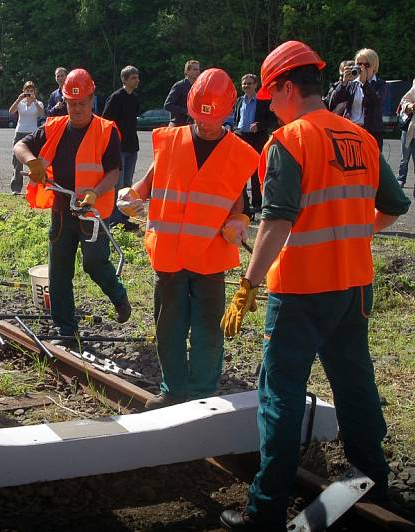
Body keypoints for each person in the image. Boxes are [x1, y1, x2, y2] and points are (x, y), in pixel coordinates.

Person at [219, 41, 411, 531]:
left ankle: (265, 510)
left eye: (271, 95)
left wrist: (247, 285)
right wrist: (353, 232)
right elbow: (393, 205)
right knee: (355, 385)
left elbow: (276, 222)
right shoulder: (361, 138)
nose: (268, 104)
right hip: (354, 288)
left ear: (287, 87)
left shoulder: (289, 141)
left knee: (279, 394)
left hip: (302, 290)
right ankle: (372, 479)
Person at [117, 68, 257, 410]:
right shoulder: (170, 139)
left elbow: (243, 204)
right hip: (169, 254)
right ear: (191, 109)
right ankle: (174, 390)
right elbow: (147, 184)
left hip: (209, 258)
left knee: (208, 330)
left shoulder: (239, 153)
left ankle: (203, 395)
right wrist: (130, 195)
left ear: (228, 112)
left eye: (214, 118)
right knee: (169, 327)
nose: (206, 124)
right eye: (199, 116)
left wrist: (238, 222)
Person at [14, 68, 131, 345]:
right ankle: (66, 328)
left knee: (94, 263)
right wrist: (31, 161)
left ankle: (118, 295)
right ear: (64, 101)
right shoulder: (53, 128)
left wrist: (95, 192)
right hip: (63, 210)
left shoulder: (106, 131)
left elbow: (114, 171)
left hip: (93, 213)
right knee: (59, 271)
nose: (77, 109)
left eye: (82, 103)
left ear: (92, 99)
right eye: (71, 103)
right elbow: (21, 145)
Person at [228, 74, 273, 216]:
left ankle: (257, 204)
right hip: (241, 137)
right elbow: (236, 119)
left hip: (257, 138)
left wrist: (259, 125)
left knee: (256, 172)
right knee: (240, 172)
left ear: (255, 85)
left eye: (249, 83)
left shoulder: (264, 102)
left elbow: (273, 120)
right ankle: (244, 204)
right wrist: (234, 130)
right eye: (244, 84)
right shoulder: (239, 101)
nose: (246, 86)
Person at [103, 65, 141, 229]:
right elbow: (105, 121)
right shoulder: (116, 97)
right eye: (133, 78)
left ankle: (124, 218)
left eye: (137, 77)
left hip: (133, 146)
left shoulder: (135, 99)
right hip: (119, 148)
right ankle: (114, 219)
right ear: (124, 80)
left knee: (128, 183)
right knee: (117, 185)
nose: (136, 80)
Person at [328, 48, 387, 148]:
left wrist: (365, 84)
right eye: (359, 64)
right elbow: (334, 101)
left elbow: (375, 102)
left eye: (366, 65)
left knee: (371, 162)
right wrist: (343, 83)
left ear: (374, 67)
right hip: (350, 131)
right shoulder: (352, 84)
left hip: (370, 132)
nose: (362, 68)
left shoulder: (380, 84)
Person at [9, 81, 45, 193]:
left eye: (31, 91)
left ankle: (33, 189)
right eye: (27, 91)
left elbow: (42, 114)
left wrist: (34, 101)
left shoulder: (38, 103)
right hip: (20, 132)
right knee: (17, 161)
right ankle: (16, 189)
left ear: (34, 92)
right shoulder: (20, 102)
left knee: (33, 160)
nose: (29, 93)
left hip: (32, 133)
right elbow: (11, 111)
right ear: (23, 91)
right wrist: (19, 99)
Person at [164, 59, 201, 127]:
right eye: (195, 69)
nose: (198, 72)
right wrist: (186, 112)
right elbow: (168, 105)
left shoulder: (199, 87)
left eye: (198, 69)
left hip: (193, 125)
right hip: (178, 124)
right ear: (187, 71)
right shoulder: (179, 86)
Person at [397, 78, 415, 189]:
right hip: (410, 129)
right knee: (404, 158)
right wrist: (410, 106)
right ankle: (401, 179)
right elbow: (404, 101)